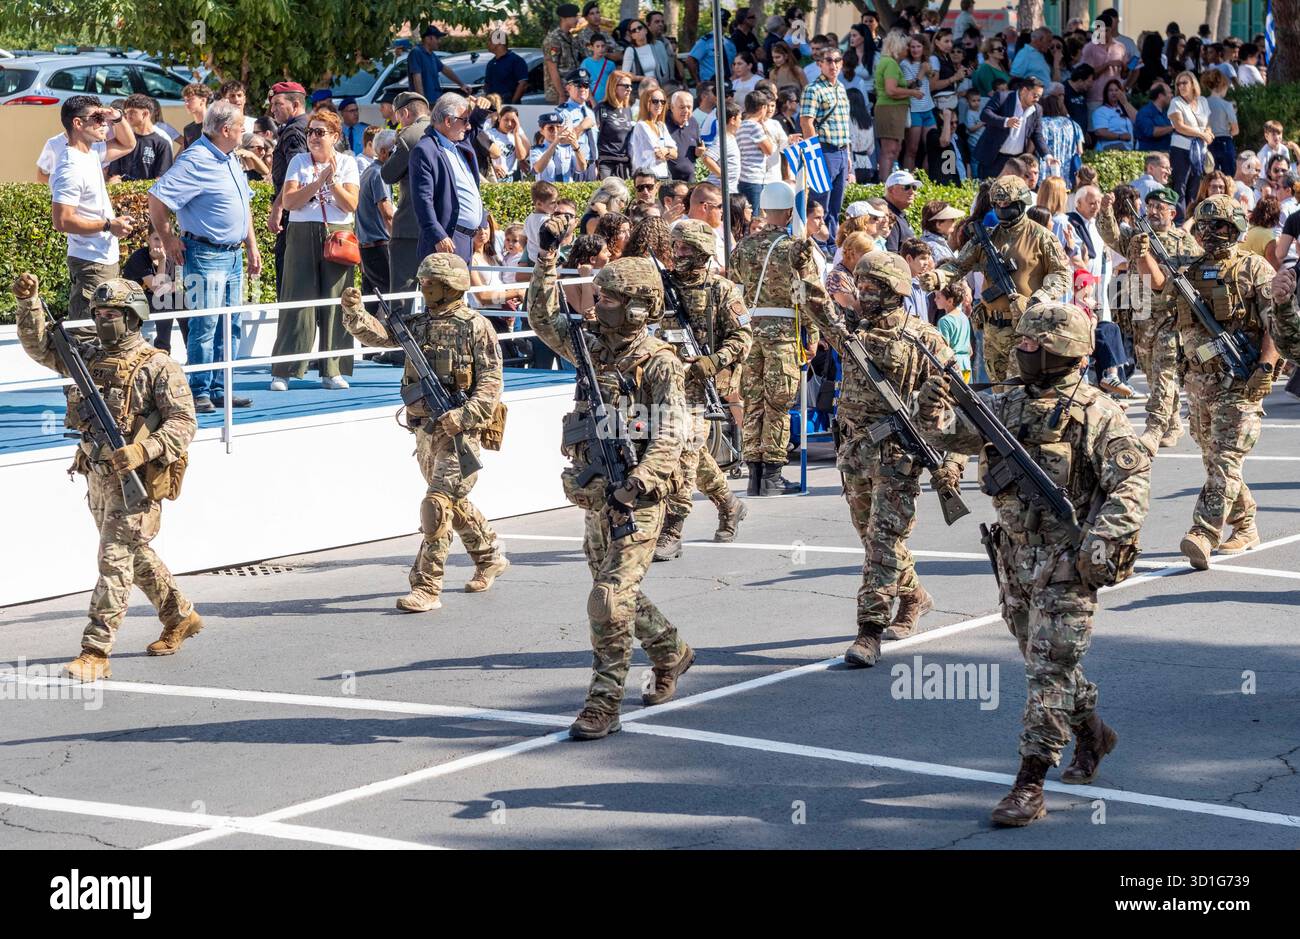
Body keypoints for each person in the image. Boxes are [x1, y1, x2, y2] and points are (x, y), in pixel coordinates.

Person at [916, 300, 1150, 827]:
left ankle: (1029, 782)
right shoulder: (1011, 402)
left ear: (1060, 352)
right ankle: (1093, 733)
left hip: (1069, 562)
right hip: (1016, 558)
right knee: (1047, 662)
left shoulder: (1097, 412)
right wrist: (932, 408)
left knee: (1048, 669)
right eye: (1019, 344)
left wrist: (1105, 540)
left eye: (1031, 346)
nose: (1021, 353)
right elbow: (955, 433)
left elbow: (1130, 484)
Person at [527, 219, 695, 740]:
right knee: (615, 591)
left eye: (611, 299)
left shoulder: (660, 363)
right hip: (598, 492)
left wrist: (639, 483)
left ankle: (604, 704)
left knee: (608, 598)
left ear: (641, 307)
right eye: (599, 296)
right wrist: (546, 262)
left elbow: (671, 435)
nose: (598, 305)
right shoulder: (591, 345)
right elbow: (542, 319)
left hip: (637, 497)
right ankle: (671, 651)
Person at [12, 274, 202, 682]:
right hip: (96, 474)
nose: (102, 321)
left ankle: (95, 651)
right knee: (134, 554)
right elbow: (39, 346)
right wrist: (29, 303)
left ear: (133, 317)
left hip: (135, 480)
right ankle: (180, 614)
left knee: (113, 561)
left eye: (111, 314)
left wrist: (142, 450)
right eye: (97, 314)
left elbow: (184, 422)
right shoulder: (87, 357)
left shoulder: (158, 366)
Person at [807, 251, 965, 661]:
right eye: (861, 286)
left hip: (900, 456)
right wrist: (802, 268)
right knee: (873, 541)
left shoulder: (923, 338)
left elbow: (955, 405)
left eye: (873, 287)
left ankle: (868, 632)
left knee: (882, 541)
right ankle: (915, 597)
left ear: (895, 291)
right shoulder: (850, 329)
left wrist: (952, 463)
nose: (864, 294)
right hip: (856, 454)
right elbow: (814, 305)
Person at [340, 253, 508, 612]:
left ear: (449, 287)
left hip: (461, 434)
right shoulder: (417, 324)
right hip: (425, 431)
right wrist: (354, 312)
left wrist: (464, 416)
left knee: (435, 506)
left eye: (430, 283)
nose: (423, 287)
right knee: (452, 504)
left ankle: (427, 586)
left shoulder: (476, 326)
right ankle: (489, 554)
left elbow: (492, 382)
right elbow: (380, 336)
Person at [1154, 196, 1278, 568]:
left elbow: (1275, 323)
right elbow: (1160, 290)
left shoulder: (1255, 268)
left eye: (1219, 226)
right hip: (1200, 382)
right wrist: (1141, 249)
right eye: (1204, 227)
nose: (1210, 234)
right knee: (1215, 460)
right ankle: (1245, 524)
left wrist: (1267, 367)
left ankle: (1204, 532)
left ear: (1236, 227)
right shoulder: (1191, 271)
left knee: (1225, 459)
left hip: (1241, 382)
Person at [146, 100, 260, 411]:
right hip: (206, 254)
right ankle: (199, 391)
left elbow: (244, 206)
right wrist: (168, 239)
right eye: (240, 127)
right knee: (205, 325)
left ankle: (221, 388)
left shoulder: (229, 157)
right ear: (226, 130)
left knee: (231, 324)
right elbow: (156, 199)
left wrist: (251, 246)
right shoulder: (196, 160)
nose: (243, 132)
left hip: (233, 255)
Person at [651, 220, 753, 558]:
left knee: (684, 453)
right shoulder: (660, 285)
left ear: (702, 253)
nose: (678, 253)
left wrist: (714, 360)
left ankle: (673, 529)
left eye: (685, 248)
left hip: (698, 386)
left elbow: (743, 337)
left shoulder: (721, 290)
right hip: (662, 383)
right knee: (691, 452)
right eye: (675, 246)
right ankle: (729, 502)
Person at [730, 181, 829, 495]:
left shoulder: (743, 247)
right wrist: (813, 335)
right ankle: (772, 474)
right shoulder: (795, 249)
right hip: (783, 334)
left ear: (763, 211)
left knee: (753, 403)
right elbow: (810, 295)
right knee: (778, 405)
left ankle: (754, 474)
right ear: (789, 213)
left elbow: (732, 290)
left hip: (748, 333)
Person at [923, 175, 1071, 382]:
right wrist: (938, 276)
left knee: (1017, 391)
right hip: (992, 330)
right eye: (998, 204)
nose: (1002, 208)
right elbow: (958, 265)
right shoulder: (988, 238)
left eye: (1007, 203)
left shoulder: (1042, 237)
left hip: (1024, 330)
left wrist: (1040, 297)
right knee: (997, 393)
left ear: (1020, 203)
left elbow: (1062, 274)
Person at [1099, 181, 1197, 444]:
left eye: (1160, 207)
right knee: (1153, 374)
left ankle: (1154, 427)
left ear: (1172, 213)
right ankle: (1173, 422)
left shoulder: (1183, 242)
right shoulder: (1136, 237)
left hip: (1170, 315)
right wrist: (1106, 211)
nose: (1153, 211)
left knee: (1164, 370)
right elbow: (1110, 236)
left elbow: (1189, 276)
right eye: (1150, 206)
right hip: (1141, 312)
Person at [272, 108, 359, 391]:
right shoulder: (298, 161)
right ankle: (284, 370)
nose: (313, 137)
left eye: (320, 132)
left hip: (338, 233)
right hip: (301, 232)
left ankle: (332, 370)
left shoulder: (347, 163)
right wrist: (319, 181)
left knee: (336, 302)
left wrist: (332, 182)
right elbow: (290, 200)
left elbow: (351, 204)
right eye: (310, 132)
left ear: (335, 136)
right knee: (298, 300)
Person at [50, 96, 138, 322]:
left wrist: (117, 116)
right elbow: (61, 221)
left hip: (102, 259)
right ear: (78, 124)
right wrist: (109, 225)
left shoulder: (90, 153)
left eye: (104, 118)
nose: (104, 123)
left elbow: (128, 144)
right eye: (97, 118)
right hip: (90, 262)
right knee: (87, 333)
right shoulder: (70, 167)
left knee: (103, 333)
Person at [410, 93, 491, 264]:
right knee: (444, 291)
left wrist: (482, 108)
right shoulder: (426, 150)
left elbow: (474, 126)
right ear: (448, 121)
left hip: (466, 240)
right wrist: (437, 235)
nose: (468, 126)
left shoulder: (459, 143)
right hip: (446, 241)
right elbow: (422, 199)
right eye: (464, 120)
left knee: (459, 291)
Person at [379, 91, 432, 303]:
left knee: (402, 296)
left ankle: (402, 336)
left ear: (405, 113)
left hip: (411, 227)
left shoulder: (410, 135)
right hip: (442, 227)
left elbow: (388, 174)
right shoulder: (446, 131)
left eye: (397, 117)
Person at [801, 46, 852, 239]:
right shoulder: (813, 89)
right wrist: (814, 153)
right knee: (819, 203)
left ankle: (831, 242)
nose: (834, 65)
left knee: (835, 205)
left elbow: (843, 126)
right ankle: (818, 243)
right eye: (829, 60)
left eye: (837, 60)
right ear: (819, 64)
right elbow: (806, 121)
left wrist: (847, 155)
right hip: (822, 149)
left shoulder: (840, 87)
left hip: (840, 150)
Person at [267, 81, 311, 301]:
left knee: (288, 286)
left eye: (277, 103)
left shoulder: (295, 131)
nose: (272, 109)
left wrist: (278, 207)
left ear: (295, 105)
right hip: (300, 214)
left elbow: (297, 173)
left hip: (292, 216)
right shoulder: (309, 126)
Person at [976, 77, 1050, 180]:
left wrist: (1047, 155)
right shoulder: (1003, 97)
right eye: (1035, 95)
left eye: (1039, 97)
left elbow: (1037, 134)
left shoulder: (1037, 109)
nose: (1037, 99)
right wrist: (1005, 121)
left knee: (1012, 194)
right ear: (1024, 90)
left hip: (1016, 161)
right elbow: (985, 114)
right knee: (988, 192)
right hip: (994, 157)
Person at [355, 129, 396, 316]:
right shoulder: (379, 174)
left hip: (368, 247)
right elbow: (387, 213)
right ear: (385, 152)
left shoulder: (369, 172)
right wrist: (398, 240)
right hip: (379, 247)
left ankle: (370, 344)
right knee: (391, 301)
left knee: (372, 304)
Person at [1167, 71, 1214, 214]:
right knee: (1180, 186)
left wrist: (1209, 133)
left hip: (1201, 149)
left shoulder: (1203, 101)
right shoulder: (1176, 102)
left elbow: (1208, 123)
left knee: (1196, 185)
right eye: (1178, 83)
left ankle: (1193, 218)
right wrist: (1201, 134)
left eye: (1184, 82)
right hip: (1181, 148)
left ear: (1193, 84)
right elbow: (1179, 126)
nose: (1181, 86)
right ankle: (1180, 219)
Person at [104, 94, 174, 183]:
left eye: (132, 112)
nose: (127, 116)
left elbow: (161, 179)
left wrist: (139, 192)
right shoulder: (124, 140)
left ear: (145, 114)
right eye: (126, 112)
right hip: (122, 195)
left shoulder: (162, 143)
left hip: (149, 195)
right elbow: (114, 175)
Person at [736, 91, 777, 214]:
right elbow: (769, 150)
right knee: (754, 217)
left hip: (743, 177)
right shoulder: (755, 127)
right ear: (762, 107)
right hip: (754, 178)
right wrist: (764, 129)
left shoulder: (741, 125)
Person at [900, 33, 935, 172]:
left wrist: (929, 71)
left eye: (918, 46)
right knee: (912, 149)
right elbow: (910, 87)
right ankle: (907, 181)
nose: (915, 50)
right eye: (912, 46)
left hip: (928, 108)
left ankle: (926, 180)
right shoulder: (905, 64)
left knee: (932, 146)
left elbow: (931, 81)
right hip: (913, 110)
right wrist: (922, 72)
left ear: (924, 47)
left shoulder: (927, 62)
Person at [409, 24, 470, 102]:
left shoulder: (432, 55)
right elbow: (417, 79)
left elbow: (445, 69)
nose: (439, 41)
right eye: (437, 38)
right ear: (428, 39)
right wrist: (422, 102)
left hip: (436, 101)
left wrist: (462, 84)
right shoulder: (416, 53)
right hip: (426, 103)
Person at [559, 68, 600, 181]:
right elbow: (562, 141)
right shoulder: (562, 112)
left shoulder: (590, 112)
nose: (583, 89)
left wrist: (594, 164)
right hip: (573, 166)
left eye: (586, 86)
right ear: (568, 88)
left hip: (591, 167)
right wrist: (581, 126)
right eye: (579, 85)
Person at [1039, 87, 1084, 186]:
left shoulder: (1040, 123)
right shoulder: (1073, 124)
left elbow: (1033, 146)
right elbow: (1080, 151)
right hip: (1066, 176)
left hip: (1045, 174)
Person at [543, 5, 588, 105]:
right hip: (559, 94)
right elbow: (552, 69)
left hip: (572, 91)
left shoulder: (571, 38)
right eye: (574, 16)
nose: (577, 19)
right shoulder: (553, 39)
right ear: (564, 18)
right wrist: (561, 94)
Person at [630, 86, 676, 180]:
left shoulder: (661, 125)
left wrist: (666, 151)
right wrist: (668, 151)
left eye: (662, 101)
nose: (659, 104)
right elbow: (658, 153)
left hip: (664, 174)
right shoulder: (642, 125)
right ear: (646, 102)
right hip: (648, 177)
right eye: (655, 101)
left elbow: (675, 153)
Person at [935, 281, 973, 380]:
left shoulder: (944, 321)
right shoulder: (964, 317)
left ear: (950, 301)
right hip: (966, 364)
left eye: (938, 297)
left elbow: (943, 350)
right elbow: (970, 350)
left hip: (954, 367)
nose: (935, 300)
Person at [484, 28, 531, 104]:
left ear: (498, 42)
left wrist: (512, 104)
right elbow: (487, 85)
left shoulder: (516, 60)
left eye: (490, 40)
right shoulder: (491, 63)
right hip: (492, 106)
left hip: (508, 105)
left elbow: (523, 84)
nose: (487, 43)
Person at [665, 90, 702, 183]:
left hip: (690, 180)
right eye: (682, 107)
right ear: (672, 107)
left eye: (689, 107)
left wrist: (698, 152)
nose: (686, 111)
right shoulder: (662, 123)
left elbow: (695, 149)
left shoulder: (693, 122)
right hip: (669, 182)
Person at [1090, 79, 1135, 151]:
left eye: (1117, 90)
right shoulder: (1101, 111)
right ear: (1106, 93)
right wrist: (1120, 136)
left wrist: (1125, 103)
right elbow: (1100, 132)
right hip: (1108, 150)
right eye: (1110, 90)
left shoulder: (1125, 108)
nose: (1114, 93)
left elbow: (1138, 120)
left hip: (1128, 149)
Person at [881, 169, 918, 253]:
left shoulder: (897, 213)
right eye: (906, 187)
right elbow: (891, 255)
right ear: (891, 190)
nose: (912, 192)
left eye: (914, 187)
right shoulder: (887, 215)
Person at [1134, 82, 1174, 153]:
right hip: (1150, 157)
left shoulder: (1166, 113)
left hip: (1165, 155)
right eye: (1169, 93)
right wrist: (1173, 127)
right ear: (1161, 96)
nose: (1172, 95)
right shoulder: (1144, 112)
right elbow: (1151, 131)